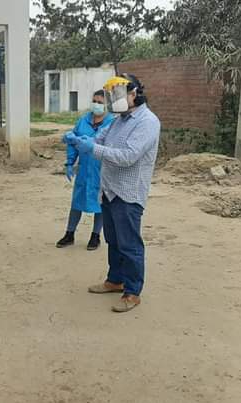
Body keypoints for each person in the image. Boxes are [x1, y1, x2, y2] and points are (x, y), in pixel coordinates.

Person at [65, 74, 160, 313]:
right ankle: (115, 280)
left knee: (130, 245)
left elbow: (128, 156)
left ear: (134, 93)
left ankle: (132, 292)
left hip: (128, 193)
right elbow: (98, 138)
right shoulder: (119, 120)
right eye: (112, 95)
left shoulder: (147, 121)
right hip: (108, 190)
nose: (113, 100)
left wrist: (92, 147)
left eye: (117, 94)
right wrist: (78, 140)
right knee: (113, 241)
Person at [56, 90, 115, 250]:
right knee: (77, 201)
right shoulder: (83, 121)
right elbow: (72, 142)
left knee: (100, 203)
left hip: (102, 169)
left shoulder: (112, 123)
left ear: (107, 105)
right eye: (94, 101)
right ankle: (69, 234)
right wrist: (70, 163)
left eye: (100, 102)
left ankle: (95, 236)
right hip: (84, 168)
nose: (96, 105)